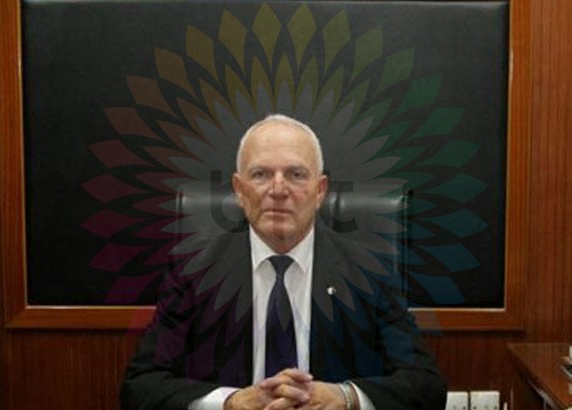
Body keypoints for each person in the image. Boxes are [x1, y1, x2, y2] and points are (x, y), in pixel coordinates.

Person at [120, 114, 446, 410]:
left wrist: (345, 398)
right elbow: (140, 386)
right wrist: (229, 402)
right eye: (260, 174)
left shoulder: (368, 271)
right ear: (239, 190)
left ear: (320, 190)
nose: (278, 189)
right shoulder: (195, 270)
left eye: (295, 174)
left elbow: (426, 385)